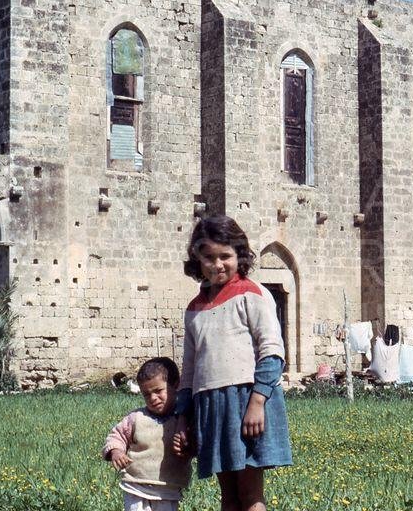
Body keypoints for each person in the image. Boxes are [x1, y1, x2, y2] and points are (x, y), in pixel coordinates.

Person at [174, 215, 292, 511]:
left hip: (246, 402)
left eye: (225, 256)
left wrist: (257, 401)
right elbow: (189, 371)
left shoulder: (252, 294)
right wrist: (183, 418)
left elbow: (272, 351)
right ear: (196, 259)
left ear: (239, 256)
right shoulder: (194, 309)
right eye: (208, 257)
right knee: (228, 497)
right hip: (211, 405)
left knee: (250, 496)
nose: (217, 265)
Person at [103, 357, 193, 511]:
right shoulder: (136, 418)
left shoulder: (182, 421)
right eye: (146, 394)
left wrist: (189, 447)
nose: (153, 398)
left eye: (158, 391)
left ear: (175, 385)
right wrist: (116, 451)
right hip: (135, 487)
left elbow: (194, 444)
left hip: (168, 489)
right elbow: (117, 436)